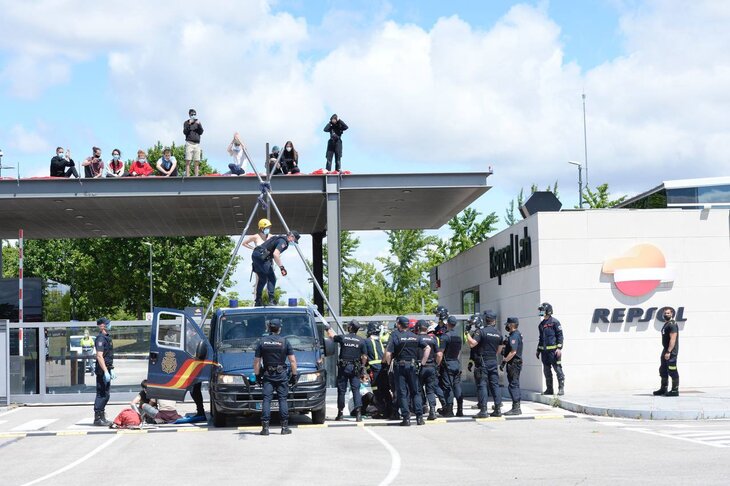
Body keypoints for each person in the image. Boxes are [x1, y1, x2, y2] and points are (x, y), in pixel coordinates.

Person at [253, 318, 297, 435]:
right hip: (281, 374)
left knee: (266, 399)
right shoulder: (285, 341)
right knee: (282, 399)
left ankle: (265, 428)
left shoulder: (262, 342)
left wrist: (257, 376)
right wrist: (294, 375)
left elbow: (257, 362)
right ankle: (284, 428)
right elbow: (292, 361)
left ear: (268, 328)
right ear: (279, 329)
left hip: (268, 374)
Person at [384, 315, 425, 426]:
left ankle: (406, 418)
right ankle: (419, 418)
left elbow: (388, 353)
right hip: (412, 366)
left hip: (400, 366)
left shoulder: (395, 335)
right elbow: (428, 348)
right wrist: (422, 362)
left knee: (402, 393)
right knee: (415, 392)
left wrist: (389, 365)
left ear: (398, 324)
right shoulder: (415, 336)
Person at [326, 320, 367, 422]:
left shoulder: (343, 338)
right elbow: (364, 357)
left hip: (343, 368)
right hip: (355, 368)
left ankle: (340, 414)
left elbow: (331, 336)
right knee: (356, 390)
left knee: (341, 391)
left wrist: (327, 327)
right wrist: (362, 367)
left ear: (350, 327)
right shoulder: (361, 341)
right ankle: (358, 414)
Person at [467, 310, 503, 418]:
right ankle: (497, 409)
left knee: (482, 385)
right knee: (494, 385)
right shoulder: (498, 333)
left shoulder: (481, 332)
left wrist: (466, 333)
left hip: (483, 362)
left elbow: (472, 344)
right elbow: (499, 350)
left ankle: (483, 410)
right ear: (494, 321)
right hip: (493, 360)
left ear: (485, 320)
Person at [251, 231, 300, 306]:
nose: (293, 242)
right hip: (262, 256)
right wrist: (282, 268)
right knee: (272, 278)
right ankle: (271, 300)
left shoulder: (278, 238)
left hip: (255, 255)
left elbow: (272, 253)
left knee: (262, 279)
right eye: (294, 240)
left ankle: (258, 301)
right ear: (291, 236)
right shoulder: (284, 242)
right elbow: (275, 254)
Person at [536, 302, 565, 396]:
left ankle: (561, 389)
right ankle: (549, 389)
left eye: (542, 310)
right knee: (546, 371)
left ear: (548, 311)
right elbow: (541, 338)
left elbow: (560, 335)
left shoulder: (555, 322)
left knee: (558, 369)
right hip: (544, 352)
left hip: (554, 352)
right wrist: (538, 350)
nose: (541, 312)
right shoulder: (541, 324)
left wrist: (559, 348)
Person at [364, 322, 391, 419]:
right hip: (383, 369)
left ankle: (382, 411)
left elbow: (364, 357)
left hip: (374, 370)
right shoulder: (380, 341)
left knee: (377, 391)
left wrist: (364, 369)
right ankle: (390, 410)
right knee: (385, 391)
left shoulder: (366, 341)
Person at [439, 315, 463, 417]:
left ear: (447, 324)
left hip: (447, 364)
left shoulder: (445, 336)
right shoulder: (458, 337)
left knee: (447, 387)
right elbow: (459, 352)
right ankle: (460, 409)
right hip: (456, 363)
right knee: (457, 386)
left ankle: (449, 410)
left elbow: (440, 353)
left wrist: (438, 365)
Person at [93, 317, 115, 426]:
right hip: (102, 370)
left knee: (106, 394)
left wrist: (111, 369)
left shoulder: (107, 338)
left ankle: (102, 416)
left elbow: (107, 356)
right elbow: (99, 356)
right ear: (102, 326)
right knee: (101, 394)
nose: (109, 325)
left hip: (107, 368)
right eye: (107, 324)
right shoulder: (100, 339)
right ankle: (97, 418)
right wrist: (106, 371)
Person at [417, 320, 440, 421]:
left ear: (418, 328)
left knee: (418, 389)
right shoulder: (433, 339)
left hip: (420, 367)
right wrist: (436, 365)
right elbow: (439, 354)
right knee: (430, 391)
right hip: (431, 366)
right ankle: (433, 410)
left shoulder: (416, 339)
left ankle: (422, 408)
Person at [654, 307, 680, 397]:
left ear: (672, 314)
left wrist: (669, 351)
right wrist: (665, 351)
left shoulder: (672, 324)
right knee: (663, 370)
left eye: (668, 313)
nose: (666, 315)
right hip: (665, 350)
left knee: (672, 370)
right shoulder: (666, 324)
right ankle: (663, 389)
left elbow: (673, 339)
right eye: (665, 313)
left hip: (671, 352)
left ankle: (674, 390)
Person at [500, 317, 523, 415]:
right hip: (514, 363)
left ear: (512, 325)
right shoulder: (514, 335)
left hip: (513, 363)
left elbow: (513, 352)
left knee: (513, 385)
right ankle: (516, 407)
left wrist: (504, 361)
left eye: (508, 324)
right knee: (514, 384)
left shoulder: (514, 336)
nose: (506, 326)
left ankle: (516, 408)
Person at [183, 108, 204, 176]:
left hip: (197, 144)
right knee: (188, 160)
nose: (193, 115)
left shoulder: (198, 122)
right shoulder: (186, 123)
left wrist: (199, 124)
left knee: (197, 161)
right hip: (189, 143)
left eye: (194, 114)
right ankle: (187, 176)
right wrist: (189, 124)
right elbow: (185, 132)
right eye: (192, 114)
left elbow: (201, 132)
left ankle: (196, 176)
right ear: (189, 115)